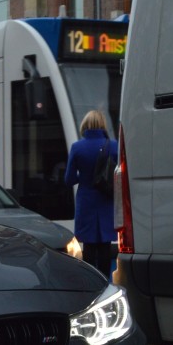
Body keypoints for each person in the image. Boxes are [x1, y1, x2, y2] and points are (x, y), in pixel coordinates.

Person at [64, 110, 118, 279]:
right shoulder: (114, 146)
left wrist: (86, 177)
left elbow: (69, 179)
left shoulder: (77, 148)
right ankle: (104, 282)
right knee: (105, 246)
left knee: (88, 247)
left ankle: (90, 282)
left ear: (84, 125)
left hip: (86, 203)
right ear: (103, 125)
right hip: (107, 201)